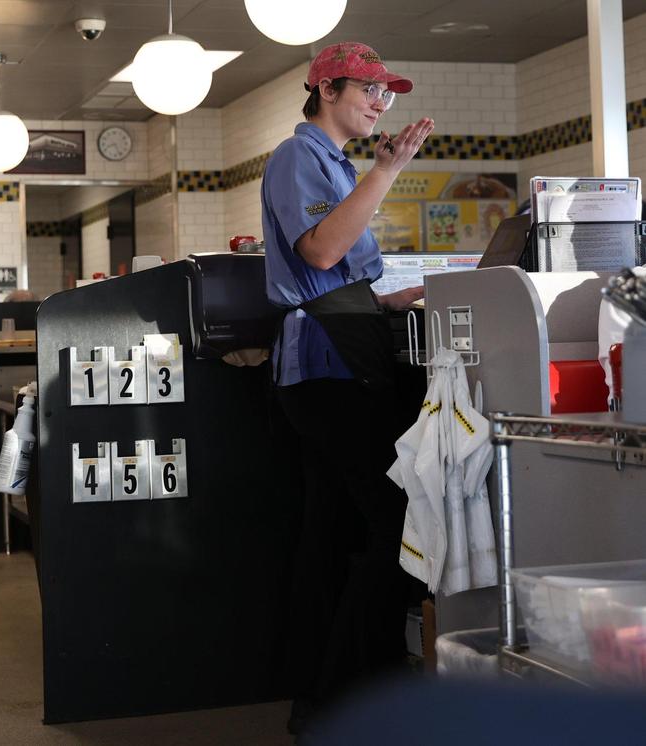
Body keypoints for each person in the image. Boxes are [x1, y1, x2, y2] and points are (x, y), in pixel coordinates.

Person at [258, 41, 434, 734]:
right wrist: (388, 171)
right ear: (326, 89)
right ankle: (359, 692)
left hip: (344, 343)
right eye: (368, 89)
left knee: (338, 532)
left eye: (386, 92)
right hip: (327, 366)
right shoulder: (298, 156)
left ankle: (327, 700)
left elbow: (333, 274)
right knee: (395, 523)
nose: (380, 103)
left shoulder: (336, 163)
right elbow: (322, 252)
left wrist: (384, 301)